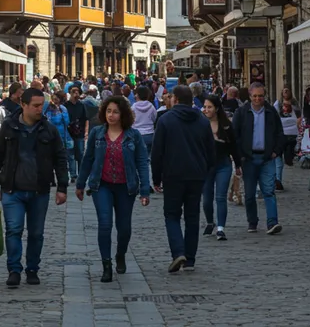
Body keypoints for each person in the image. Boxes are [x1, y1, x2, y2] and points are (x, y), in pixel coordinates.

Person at [0, 89, 69, 288]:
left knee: (36, 233)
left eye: (42, 105)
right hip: (12, 190)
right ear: (23, 105)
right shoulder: (9, 127)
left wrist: (62, 187)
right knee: (13, 230)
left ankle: (32, 269)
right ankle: (14, 270)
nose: (40, 109)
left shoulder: (49, 130)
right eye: (35, 105)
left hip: (39, 191)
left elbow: (60, 159)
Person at [76, 95, 151, 283]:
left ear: (123, 114)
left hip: (126, 187)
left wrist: (144, 189)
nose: (111, 115)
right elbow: (88, 160)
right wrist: (80, 184)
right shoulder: (97, 133)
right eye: (108, 111)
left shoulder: (133, 135)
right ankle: (106, 264)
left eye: (115, 112)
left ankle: (120, 254)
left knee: (124, 228)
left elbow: (142, 162)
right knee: (105, 223)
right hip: (102, 185)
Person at [151, 84, 215, 273]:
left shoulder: (166, 120)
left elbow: (157, 152)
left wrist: (156, 177)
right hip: (196, 175)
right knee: (192, 217)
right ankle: (190, 259)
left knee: (172, 215)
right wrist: (205, 170)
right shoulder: (202, 121)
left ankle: (178, 251)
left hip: (173, 175)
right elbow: (211, 151)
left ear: (176, 100)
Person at [232, 82, 284, 235]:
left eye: (260, 96)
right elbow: (235, 136)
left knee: (269, 191)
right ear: (250, 96)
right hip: (248, 158)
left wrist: (275, 151)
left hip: (267, 157)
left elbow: (279, 133)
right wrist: (240, 156)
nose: (257, 99)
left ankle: (272, 222)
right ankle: (252, 222)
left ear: (264, 96)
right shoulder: (242, 112)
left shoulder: (271, 111)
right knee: (249, 194)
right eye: (254, 96)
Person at [201, 95, 240, 241]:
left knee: (220, 197)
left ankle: (221, 228)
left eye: (209, 107)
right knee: (206, 199)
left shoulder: (226, 125)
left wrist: (238, 164)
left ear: (216, 108)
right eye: (205, 107)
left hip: (223, 164)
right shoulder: (200, 124)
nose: (206, 110)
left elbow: (233, 146)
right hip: (206, 166)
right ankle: (210, 222)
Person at [45, 92, 75, 183]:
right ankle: (51, 178)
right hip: (51, 136)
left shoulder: (62, 109)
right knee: (51, 157)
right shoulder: (48, 109)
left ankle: (70, 175)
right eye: (53, 99)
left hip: (63, 136)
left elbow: (67, 121)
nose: (54, 101)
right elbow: (46, 120)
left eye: (56, 99)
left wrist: (59, 112)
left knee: (66, 156)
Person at [274, 88, 300, 187]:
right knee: (278, 156)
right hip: (282, 132)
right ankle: (278, 180)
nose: (285, 92)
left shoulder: (294, 103)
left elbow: (299, 115)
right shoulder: (278, 103)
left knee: (288, 156)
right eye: (284, 90)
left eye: (287, 90)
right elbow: (274, 115)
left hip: (292, 133)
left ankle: (289, 159)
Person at [132, 85, 157, 154]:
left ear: (137, 95)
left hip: (137, 134)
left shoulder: (133, 107)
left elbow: (131, 120)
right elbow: (154, 118)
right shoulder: (151, 106)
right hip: (150, 134)